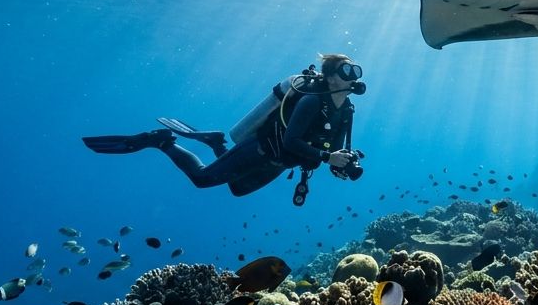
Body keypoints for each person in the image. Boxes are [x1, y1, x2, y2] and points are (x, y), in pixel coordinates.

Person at [82, 54, 364, 201]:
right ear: (330, 78)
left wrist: (341, 163)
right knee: (203, 179)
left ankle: (216, 142)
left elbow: (333, 149)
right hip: (263, 150)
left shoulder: (347, 110)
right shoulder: (312, 103)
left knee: (237, 190)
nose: (353, 76)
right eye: (346, 71)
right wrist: (328, 158)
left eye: (355, 71)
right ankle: (162, 141)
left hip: (280, 164)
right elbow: (292, 141)